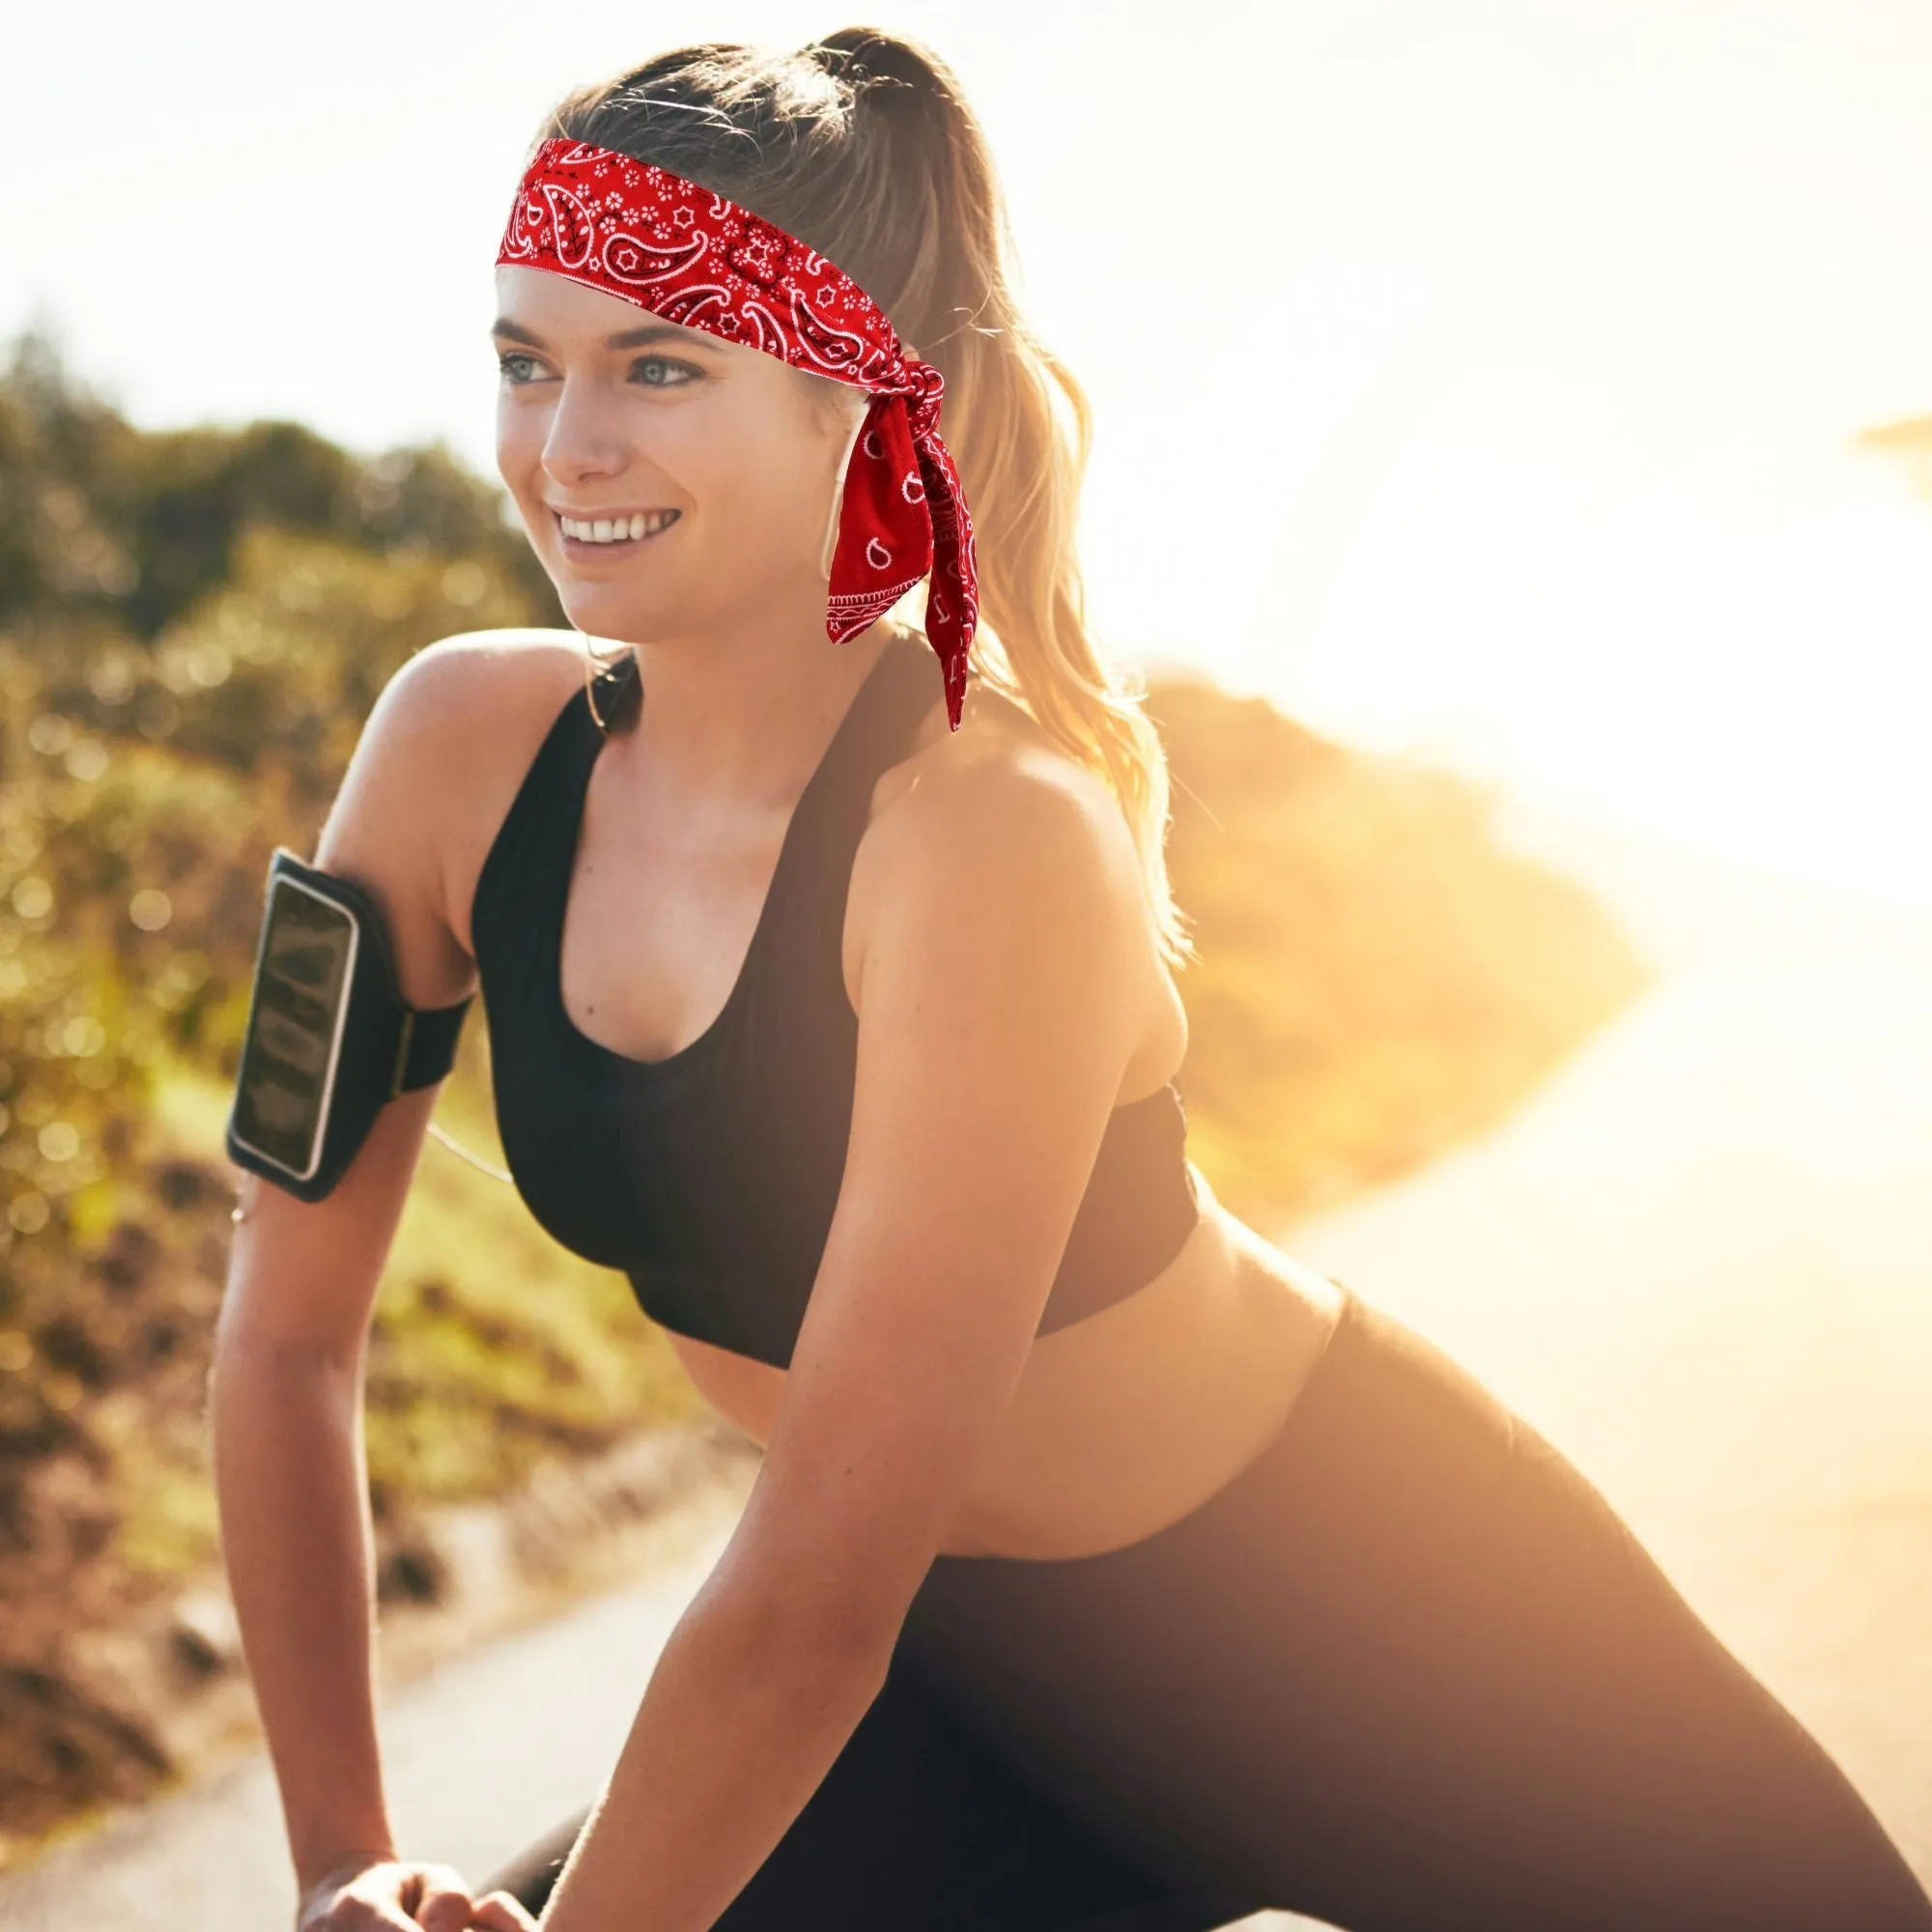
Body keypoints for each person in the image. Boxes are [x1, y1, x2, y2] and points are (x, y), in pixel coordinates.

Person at [211, 28, 1932, 1932]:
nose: (566, 448)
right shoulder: (451, 747)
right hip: (965, 1682)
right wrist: (337, 1858)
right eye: (526, 363)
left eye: (661, 367)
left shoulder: (986, 835)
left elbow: (803, 1606)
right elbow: (284, 1333)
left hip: (1390, 1622)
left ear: (854, 401)